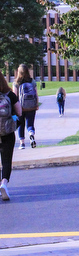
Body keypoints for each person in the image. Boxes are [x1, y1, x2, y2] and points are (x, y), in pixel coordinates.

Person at [0, 71, 22, 201]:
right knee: (6, 160)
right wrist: (12, 122)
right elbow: (19, 113)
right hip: (7, 132)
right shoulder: (10, 95)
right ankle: (4, 183)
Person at [13, 64, 39, 150]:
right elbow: (36, 94)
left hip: (20, 107)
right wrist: (36, 104)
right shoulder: (32, 81)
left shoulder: (16, 83)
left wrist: (14, 109)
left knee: (21, 125)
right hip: (31, 106)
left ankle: (22, 143)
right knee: (30, 123)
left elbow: (15, 96)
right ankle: (31, 135)